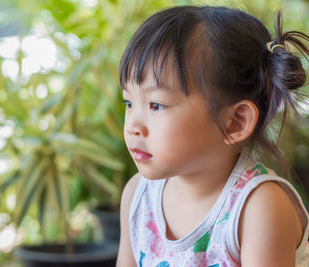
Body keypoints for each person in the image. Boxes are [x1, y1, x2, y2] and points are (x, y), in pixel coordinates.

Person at [116, 5, 309, 267]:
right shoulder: (138, 196)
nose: (133, 126)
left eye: (156, 105)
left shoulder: (259, 208)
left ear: (235, 122)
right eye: (129, 103)